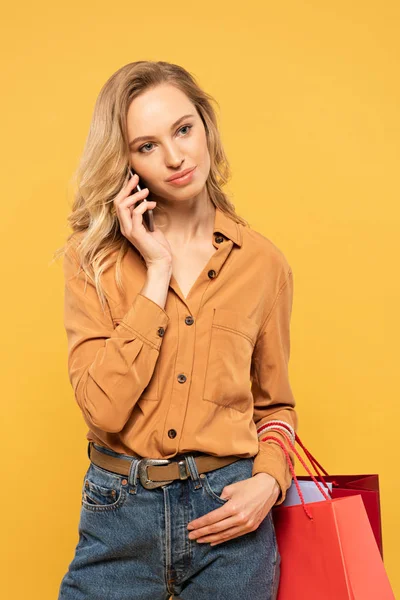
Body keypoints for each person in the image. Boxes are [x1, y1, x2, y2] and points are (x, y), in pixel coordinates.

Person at [56, 60, 298, 600]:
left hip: (231, 519)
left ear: (206, 126)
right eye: (146, 145)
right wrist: (156, 273)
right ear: (126, 162)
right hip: (117, 516)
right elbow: (103, 409)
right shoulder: (93, 262)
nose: (174, 157)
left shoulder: (264, 266)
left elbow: (275, 406)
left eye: (183, 129)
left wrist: (268, 482)